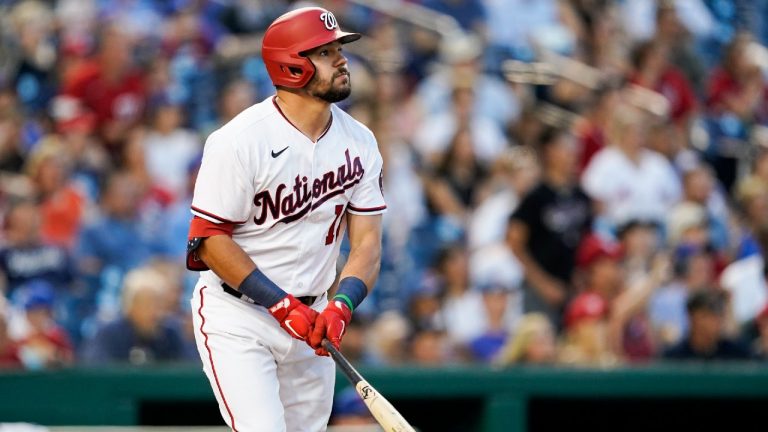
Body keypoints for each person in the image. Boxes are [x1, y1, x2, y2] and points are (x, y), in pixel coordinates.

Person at [186, 8, 385, 432]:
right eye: (326, 52)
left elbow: (367, 243)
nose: (342, 59)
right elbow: (208, 240)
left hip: (313, 322)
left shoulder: (361, 142)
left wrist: (342, 305)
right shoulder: (239, 140)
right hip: (240, 314)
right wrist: (278, 303)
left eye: (339, 49)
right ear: (292, 65)